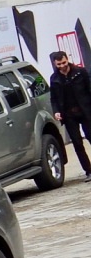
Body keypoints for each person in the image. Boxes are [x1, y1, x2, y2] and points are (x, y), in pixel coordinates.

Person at [49, 51, 91, 179]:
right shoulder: (54, 78)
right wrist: (56, 111)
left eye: (64, 63)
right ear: (55, 64)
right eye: (59, 64)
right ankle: (88, 170)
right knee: (77, 143)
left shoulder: (80, 72)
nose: (62, 66)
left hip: (85, 111)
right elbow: (54, 98)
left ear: (67, 60)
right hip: (68, 115)